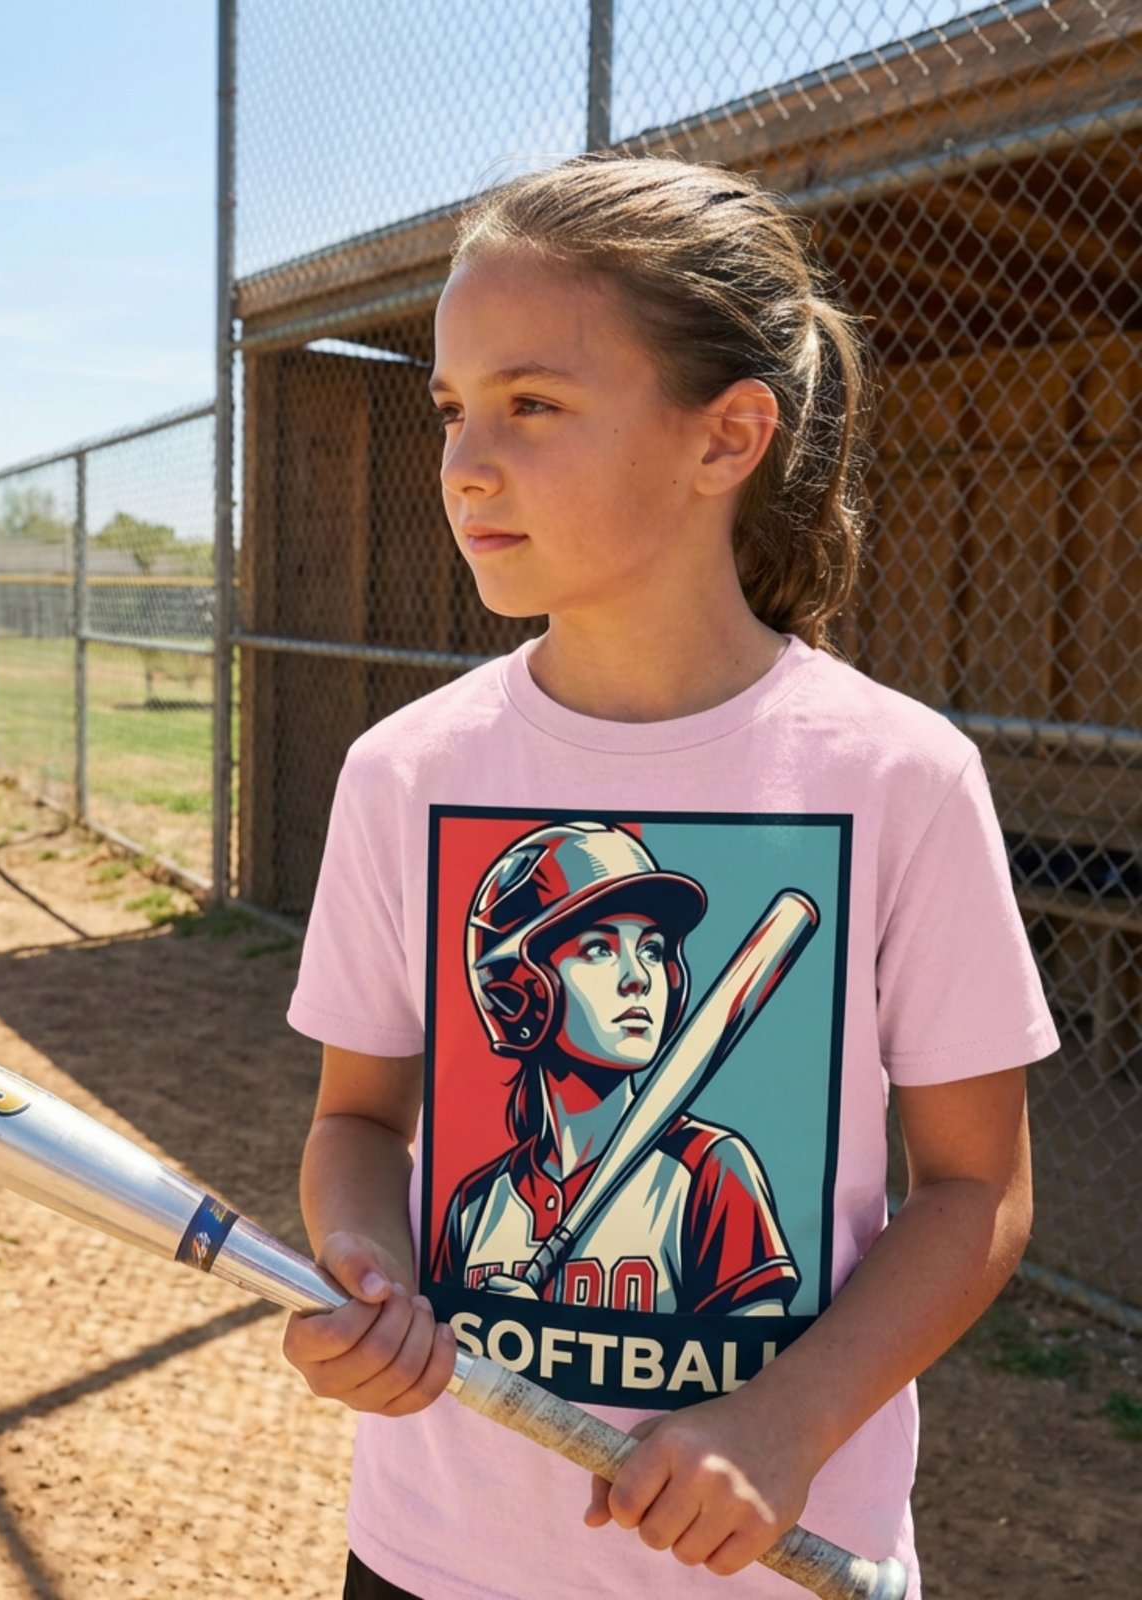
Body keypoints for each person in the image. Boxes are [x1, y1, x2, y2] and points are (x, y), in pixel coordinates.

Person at [282, 153, 1056, 1600]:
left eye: (533, 404)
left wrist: (789, 1413)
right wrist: (370, 1271)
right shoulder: (407, 769)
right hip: (442, 1554)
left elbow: (976, 1192)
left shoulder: (895, 773)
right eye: (452, 409)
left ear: (727, 437)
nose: (463, 461)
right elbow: (357, 1124)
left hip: (777, 1563)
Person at [431, 820, 800, 1319]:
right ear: (519, 992)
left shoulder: (707, 1168)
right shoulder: (476, 1206)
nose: (638, 979)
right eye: (599, 949)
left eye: (651, 949)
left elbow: (757, 1374)